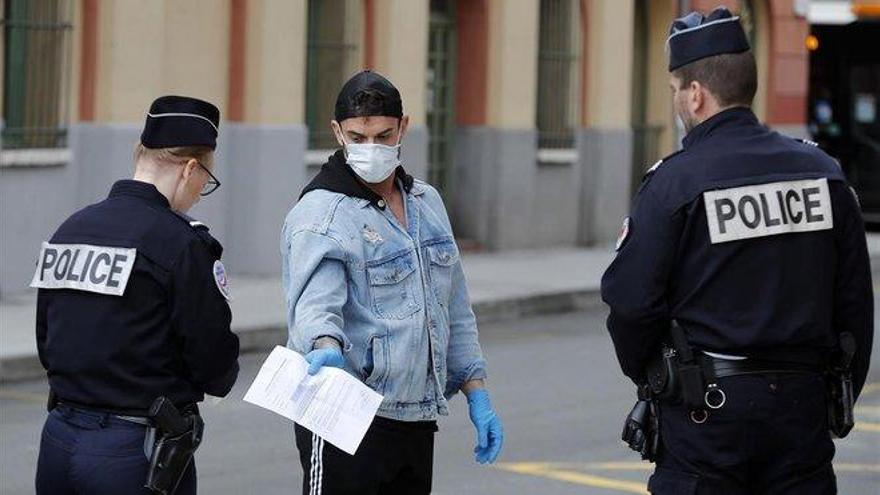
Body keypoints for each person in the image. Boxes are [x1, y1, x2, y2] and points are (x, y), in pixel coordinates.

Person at [601, 8, 873, 494]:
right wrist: (836, 390)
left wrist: (658, 381)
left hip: (706, 416)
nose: (677, 103)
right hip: (801, 413)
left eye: (675, 92)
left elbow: (631, 304)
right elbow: (854, 307)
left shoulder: (675, 183)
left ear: (697, 94)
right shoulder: (823, 174)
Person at [281, 70, 503, 495]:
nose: (371, 149)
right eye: (357, 137)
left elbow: (453, 306)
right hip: (342, 415)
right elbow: (314, 303)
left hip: (415, 415)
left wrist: (476, 389)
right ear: (337, 133)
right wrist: (324, 345)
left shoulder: (427, 203)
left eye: (383, 136)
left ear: (404, 127)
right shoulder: (321, 214)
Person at [32, 95, 240, 494]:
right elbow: (215, 366)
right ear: (190, 169)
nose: (199, 193)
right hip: (135, 452)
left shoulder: (71, 229)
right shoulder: (181, 244)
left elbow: (47, 339)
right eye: (205, 182)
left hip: (59, 440)